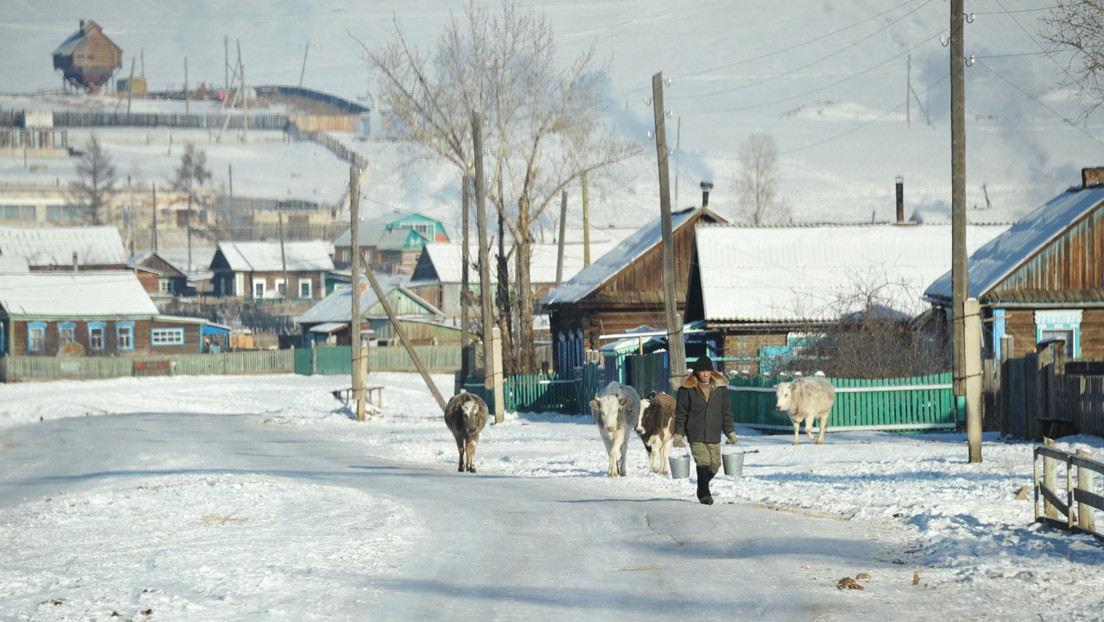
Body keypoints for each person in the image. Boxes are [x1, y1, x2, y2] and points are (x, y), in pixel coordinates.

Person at [673, 355, 737, 505]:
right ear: (696, 372)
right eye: (702, 372)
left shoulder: (721, 389)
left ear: (712, 372)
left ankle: (701, 486)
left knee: (715, 464)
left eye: (708, 371)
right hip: (695, 432)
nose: (706, 374)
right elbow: (681, 413)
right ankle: (704, 494)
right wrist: (679, 434)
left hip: (714, 432)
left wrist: (730, 432)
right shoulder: (686, 390)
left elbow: (726, 412)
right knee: (703, 461)